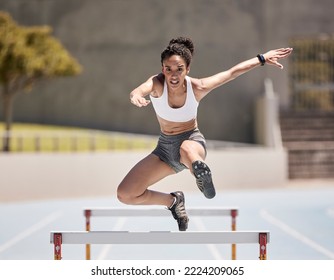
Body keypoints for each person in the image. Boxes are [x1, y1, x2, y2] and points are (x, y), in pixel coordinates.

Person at [117, 37, 293, 231]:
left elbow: (231, 73)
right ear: (162, 68)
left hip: (191, 141)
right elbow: (140, 89)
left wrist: (261, 58)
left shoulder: (198, 87)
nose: (173, 76)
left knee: (186, 149)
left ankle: (199, 171)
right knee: (126, 194)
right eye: (168, 69)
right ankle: (173, 201)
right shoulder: (157, 84)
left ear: (188, 69)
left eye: (179, 69)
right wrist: (136, 96)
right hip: (165, 150)